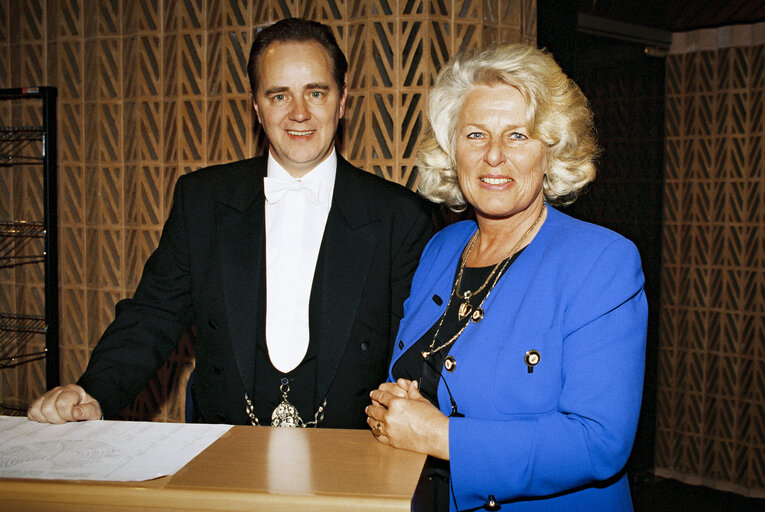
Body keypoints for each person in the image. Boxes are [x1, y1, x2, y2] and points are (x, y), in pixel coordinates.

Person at [27, 18, 433, 428]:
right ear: (257, 106)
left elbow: (415, 358)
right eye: (279, 96)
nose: (299, 113)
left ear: (342, 101)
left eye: (316, 92)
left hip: (350, 460)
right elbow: (152, 316)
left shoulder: (401, 216)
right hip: (223, 451)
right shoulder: (202, 200)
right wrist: (92, 391)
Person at [365, 43, 648, 511]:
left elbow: (598, 442)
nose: (494, 155)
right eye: (475, 135)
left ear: (551, 149)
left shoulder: (603, 262)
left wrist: (438, 434)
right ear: (452, 149)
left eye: (517, 135)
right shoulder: (441, 248)